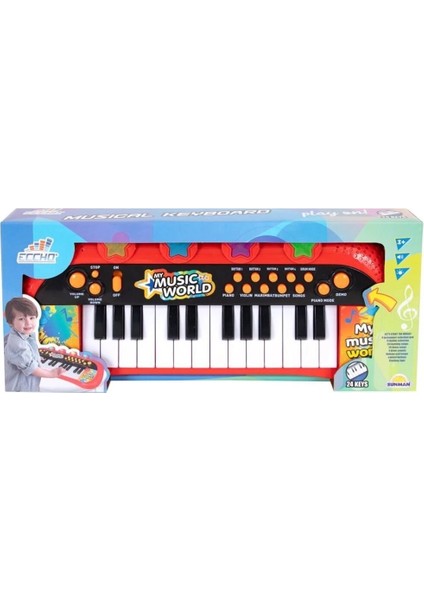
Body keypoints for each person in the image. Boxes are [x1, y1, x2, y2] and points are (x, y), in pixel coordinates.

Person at [4, 297, 64, 392]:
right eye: (21, 319)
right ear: (11, 322)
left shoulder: (25, 334)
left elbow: (27, 354)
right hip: (20, 390)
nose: (28, 323)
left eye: (31, 318)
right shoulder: (17, 343)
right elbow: (32, 369)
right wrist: (52, 374)